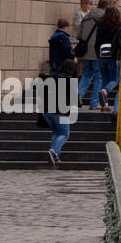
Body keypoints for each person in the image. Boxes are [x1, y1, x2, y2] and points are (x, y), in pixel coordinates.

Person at [44, 21, 79, 165]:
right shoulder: (70, 81)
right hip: (61, 112)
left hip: (48, 112)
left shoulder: (52, 78)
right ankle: (53, 150)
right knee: (64, 134)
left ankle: (56, 155)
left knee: (56, 132)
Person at [74, 0, 105, 109]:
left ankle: (78, 94)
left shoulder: (86, 17)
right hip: (98, 52)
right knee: (99, 76)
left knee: (87, 73)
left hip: (86, 52)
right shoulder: (104, 18)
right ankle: (94, 103)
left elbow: (78, 35)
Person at [93, 5, 121, 112]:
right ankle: (105, 91)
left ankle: (104, 105)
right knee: (114, 79)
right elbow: (119, 43)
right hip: (112, 56)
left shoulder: (100, 25)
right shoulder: (119, 26)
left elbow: (96, 42)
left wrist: (98, 54)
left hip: (101, 55)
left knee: (104, 79)